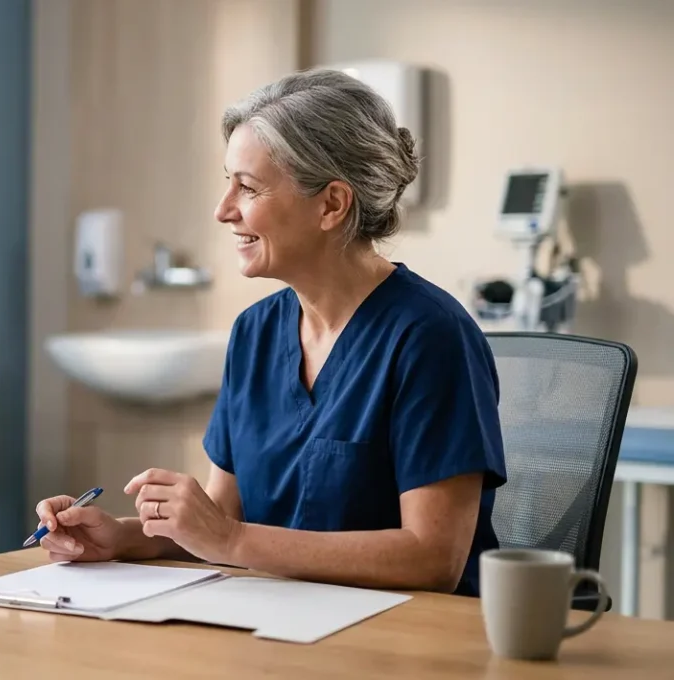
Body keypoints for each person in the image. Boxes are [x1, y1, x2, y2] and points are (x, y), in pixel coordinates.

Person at [35, 69, 507, 597]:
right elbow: (223, 521)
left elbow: (432, 558)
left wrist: (231, 541)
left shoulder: (431, 337)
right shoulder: (255, 333)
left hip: (406, 641)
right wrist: (119, 538)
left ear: (331, 204)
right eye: (227, 181)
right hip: (281, 618)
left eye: (248, 187)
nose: (223, 209)